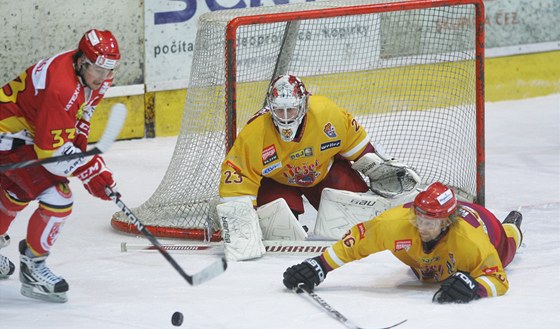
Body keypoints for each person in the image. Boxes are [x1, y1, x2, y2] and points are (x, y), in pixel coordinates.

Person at [217, 74, 420, 261]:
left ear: (304, 105)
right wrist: (239, 218)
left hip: (323, 173)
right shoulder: (255, 132)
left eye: (292, 109)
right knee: (281, 233)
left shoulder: (327, 114)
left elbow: (357, 145)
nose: (286, 116)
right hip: (278, 182)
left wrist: (375, 166)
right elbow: (237, 177)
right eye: (279, 110)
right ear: (271, 108)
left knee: (361, 220)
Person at [0, 29, 120, 303]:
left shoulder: (90, 76)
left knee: (20, 191)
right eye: (99, 70)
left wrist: (83, 156)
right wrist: (89, 169)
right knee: (58, 197)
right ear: (81, 62)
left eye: (109, 70)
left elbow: (80, 118)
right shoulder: (62, 87)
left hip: (26, 134)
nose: (104, 78)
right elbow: (50, 152)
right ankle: (33, 269)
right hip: (7, 138)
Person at [282, 182, 523, 303]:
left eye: (430, 222)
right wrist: (320, 265)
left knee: (509, 243)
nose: (421, 226)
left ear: (447, 222)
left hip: (488, 227)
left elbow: (498, 279)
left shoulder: (471, 241)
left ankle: (512, 225)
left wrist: (476, 288)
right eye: (419, 217)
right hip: (435, 261)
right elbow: (356, 242)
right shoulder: (397, 223)